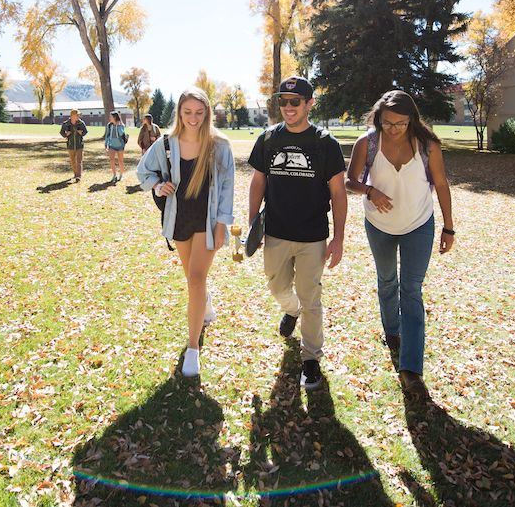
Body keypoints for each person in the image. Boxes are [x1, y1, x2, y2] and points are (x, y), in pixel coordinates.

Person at [344, 90, 455, 400]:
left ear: (411, 120)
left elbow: (442, 184)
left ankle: (411, 369)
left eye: (401, 123)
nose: (393, 129)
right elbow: (348, 181)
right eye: (387, 122)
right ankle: (392, 332)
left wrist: (449, 227)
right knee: (387, 280)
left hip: (419, 225)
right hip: (379, 226)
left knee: (411, 289)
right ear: (379, 117)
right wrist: (369, 191)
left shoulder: (427, 145)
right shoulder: (368, 143)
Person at [248, 76, 346, 391]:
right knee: (277, 287)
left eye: (295, 101)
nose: (288, 108)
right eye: (283, 102)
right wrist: (254, 224)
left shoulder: (324, 143)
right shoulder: (268, 139)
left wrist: (339, 238)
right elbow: (258, 182)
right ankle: (291, 311)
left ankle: (311, 360)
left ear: (309, 104)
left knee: (311, 297)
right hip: (275, 231)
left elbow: (338, 193)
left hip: (312, 235)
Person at [137, 88, 235, 378]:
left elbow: (228, 186)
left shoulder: (219, 145)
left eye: (199, 112)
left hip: (207, 221)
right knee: (192, 278)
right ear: (179, 113)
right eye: (187, 112)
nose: (193, 118)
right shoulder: (166, 144)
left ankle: (193, 348)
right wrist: (157, 185)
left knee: (195, 278)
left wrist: (222, 223)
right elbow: (143, 172)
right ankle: (205, 305)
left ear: (207, 113)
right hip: (179, 220)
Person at [60, 109, 88, 182]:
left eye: (79, 115)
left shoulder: (81, 123)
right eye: (77, 115)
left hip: (79, 145)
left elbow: (85, 132)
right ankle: (75, 174)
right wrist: (66, 134)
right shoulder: (66, 124)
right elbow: (61, 133)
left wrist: (81, 133)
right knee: (73, 161)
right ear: (72, 115)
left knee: (79, 161)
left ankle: (78, 176)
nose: (79, 116)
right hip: (70, 145)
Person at [103, 111, 128, 181]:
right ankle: (114, 175)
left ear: (114, 117)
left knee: (120, 161)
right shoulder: (109, 125)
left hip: (120, 146)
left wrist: (118, 125)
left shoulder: (121, 125)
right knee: (111, 160)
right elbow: (107, 135)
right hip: (112, 146)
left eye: (110, 117)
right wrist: (106, 144)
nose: (109, 118)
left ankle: (121, 174)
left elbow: (121, 133)